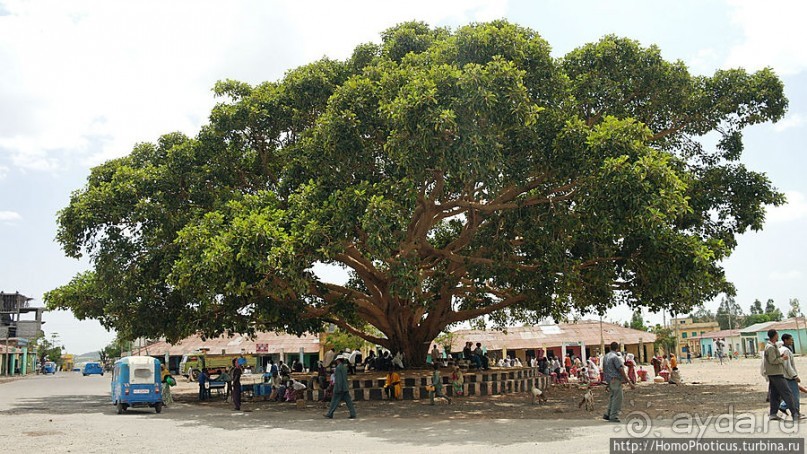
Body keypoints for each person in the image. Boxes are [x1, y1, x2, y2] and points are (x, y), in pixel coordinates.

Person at [763, 329, 801, 420]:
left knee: (775, 395)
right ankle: (795, 413)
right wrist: (782, 358)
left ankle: (773, 414)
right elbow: (773, 361)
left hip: (773, 373)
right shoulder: (770, 347)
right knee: (787, 393)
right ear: (774, 335)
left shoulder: (773, 346)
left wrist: (779, 357)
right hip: (776, 373)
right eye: (777, 334)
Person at [603, 341, 635, 423]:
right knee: (618, 398)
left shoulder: (606, 357)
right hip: (615, 379)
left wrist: (607, 381)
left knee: (612, 396)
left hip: (609, 379)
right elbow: (620, 369)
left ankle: (608, 413)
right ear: (617, 348)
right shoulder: (615, 357)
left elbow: (605, 370)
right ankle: (613, 416)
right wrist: (629, 382)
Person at [779, 334, 801, 416]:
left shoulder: (782, 349)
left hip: (783, 375)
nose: (792, 341)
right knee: (795, 395)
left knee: (790, 394)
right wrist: (795, 376)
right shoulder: (786, 351)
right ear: (785, 340)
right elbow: (787, 365)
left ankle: (785, 406)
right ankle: (795, 412)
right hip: (789, 376)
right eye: (790, 340)